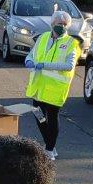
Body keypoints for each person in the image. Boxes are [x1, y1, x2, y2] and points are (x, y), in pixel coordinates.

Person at [24, 10, 81, 160]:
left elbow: (69, 66)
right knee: (37, 113)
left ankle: (49, 149)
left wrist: (45, 65)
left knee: (52, 117)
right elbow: (32, 53)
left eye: (64, 24)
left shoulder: (71, 44)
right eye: (58, 24)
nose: (61, 26)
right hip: (38, 85)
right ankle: (50, 144)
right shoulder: (43, 37)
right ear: (52, 24)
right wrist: (28, 60)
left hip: (55, 88)